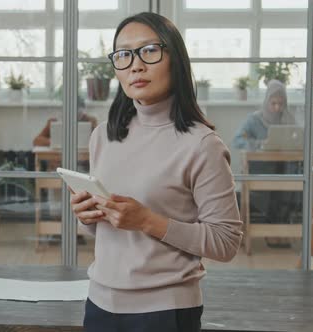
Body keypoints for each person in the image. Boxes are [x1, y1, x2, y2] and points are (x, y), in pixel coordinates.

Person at [70, 12, 243, 332]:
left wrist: (148, 221)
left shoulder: (202, 144)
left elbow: (226, 241)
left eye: (149, 50)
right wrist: (88, 218)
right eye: (123, 55)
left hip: (165, 311)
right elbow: (107, 233)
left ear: (174, 59)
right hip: (99, 304)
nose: (135, 65)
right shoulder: (103, 136)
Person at [232, 79, 302, 247]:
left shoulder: (289, 120)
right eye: (273, 103)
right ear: (266, 102)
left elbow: (298, 140)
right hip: (260, 170)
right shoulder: (254, 119)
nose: (277, 108)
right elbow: (237, 140)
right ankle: (272, 230)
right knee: (275, 185)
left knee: (295, 176)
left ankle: (281, 229)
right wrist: (259, 144)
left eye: (281, 103)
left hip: (283, 169)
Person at [32, 96, 98, 148]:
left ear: (83, 110)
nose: (74, 115)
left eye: (78, 112)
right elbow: (36, 141)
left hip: (83, 160)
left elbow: (98, 142)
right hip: (58, 160)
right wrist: (54, 142)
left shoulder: (90, 121)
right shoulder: (54, 122)